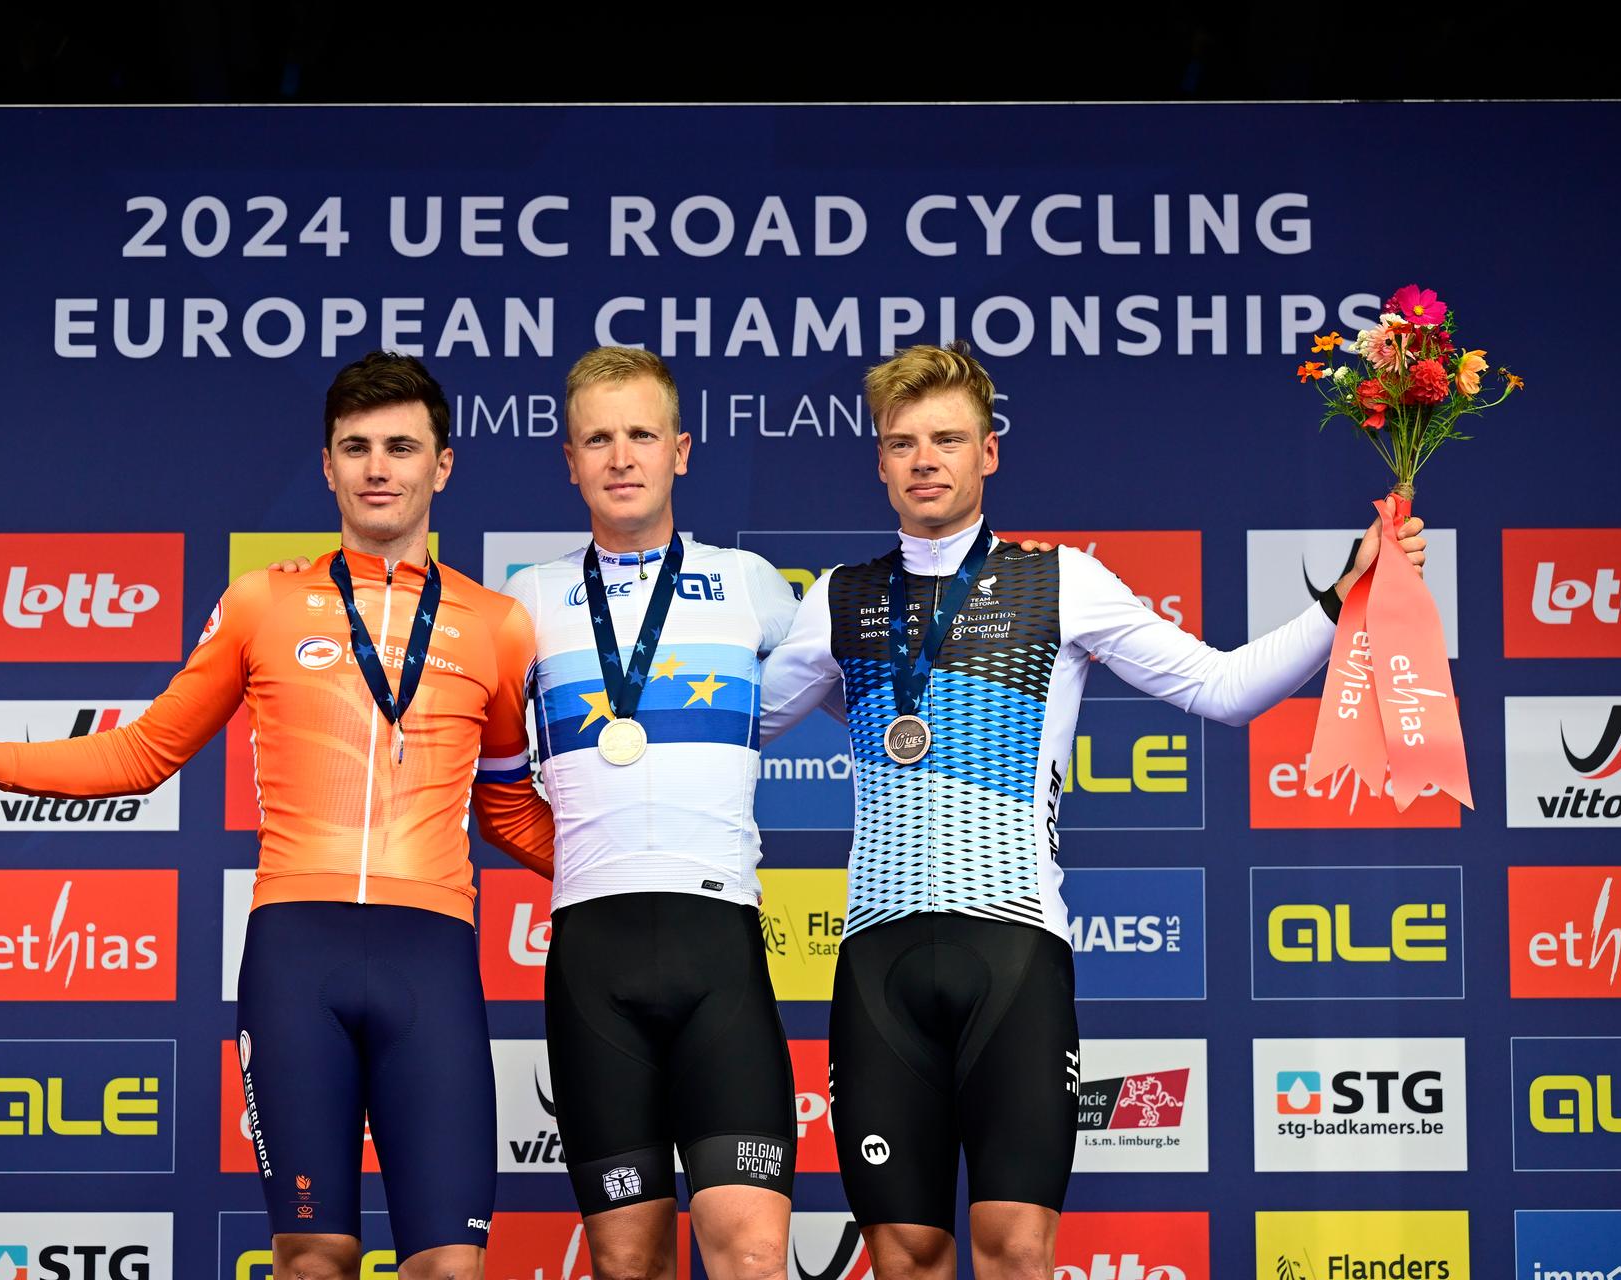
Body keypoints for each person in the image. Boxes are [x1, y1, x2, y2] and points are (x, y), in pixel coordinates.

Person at [757, 343, 1427, 1280]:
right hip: (880, 959)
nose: (925, 460)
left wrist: (1342, 596)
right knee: (904, 1252)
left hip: (1015, 951)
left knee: (1016, 1250)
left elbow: (1223, 688)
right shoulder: (839, 598)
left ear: (989, 451)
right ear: (878, 460)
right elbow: (731, 727)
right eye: (902, 442)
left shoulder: (1062, 580)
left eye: (947, 438)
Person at [0, 353, 554, 1280]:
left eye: (402, 447)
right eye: (355, 446)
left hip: (433, 955)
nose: (378, 467)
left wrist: (634, 870)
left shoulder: (500, 625)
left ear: (441, 466)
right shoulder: (263, 601)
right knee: (311, 1258)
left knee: (449, 1268)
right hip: (297, 955)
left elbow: (508, 808)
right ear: (325, 465)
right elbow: (143, 751)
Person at [500, 347, 803, 1280]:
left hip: (720, 949)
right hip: (593, 962)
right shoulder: (526, 603)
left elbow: (866, 698)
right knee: (627, 1262)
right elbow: (497, 786)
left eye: (641, 434)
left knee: (752, 1255)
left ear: (682, 449)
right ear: (570, 460)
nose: (621, 455)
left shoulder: (752, 584)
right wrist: (590, 863)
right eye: (599, 437)